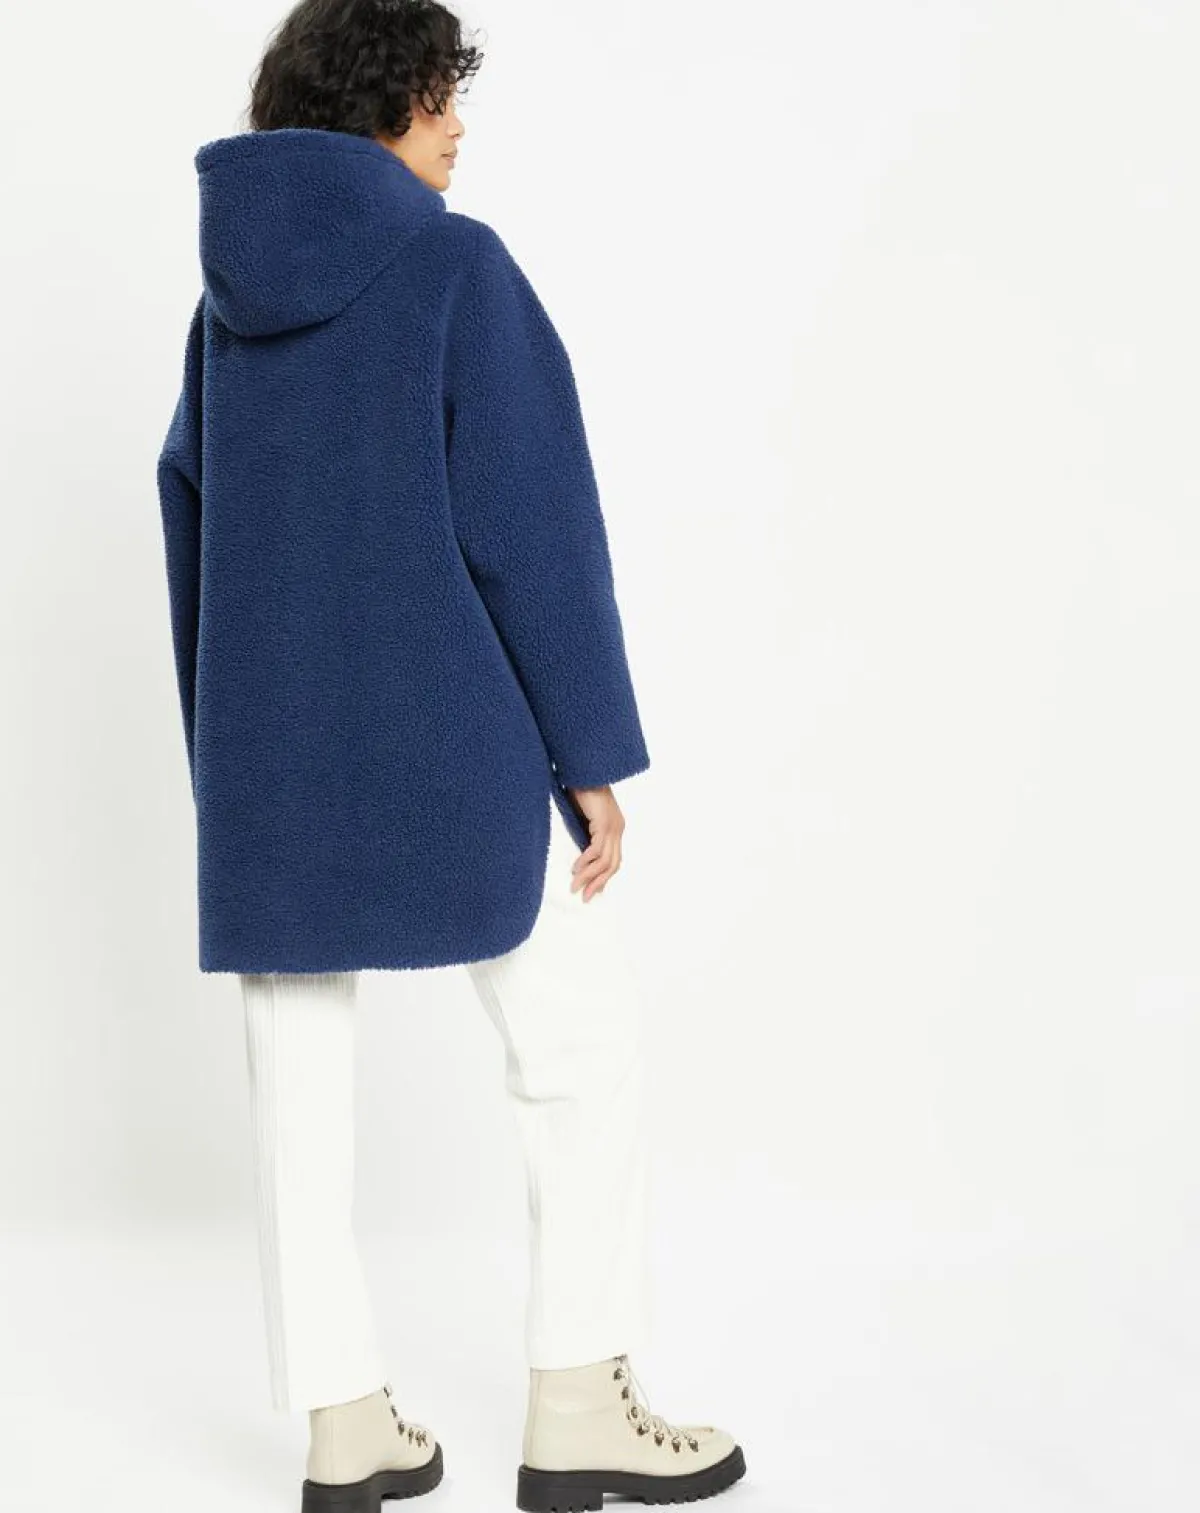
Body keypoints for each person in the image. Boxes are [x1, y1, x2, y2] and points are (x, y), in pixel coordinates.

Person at [155, 1, 746, 1508]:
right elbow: (532, 527)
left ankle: (342, 1426)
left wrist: (229, 754)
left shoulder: (224, 308)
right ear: (378, 105)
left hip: (277, 758)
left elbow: (189, 513)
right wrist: (589, 753)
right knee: (581, 1044)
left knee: (296, 1083)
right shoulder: (453, 268)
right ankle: (579, 1401)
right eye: (434, 96)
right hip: (454, 740)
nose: (457, 125)